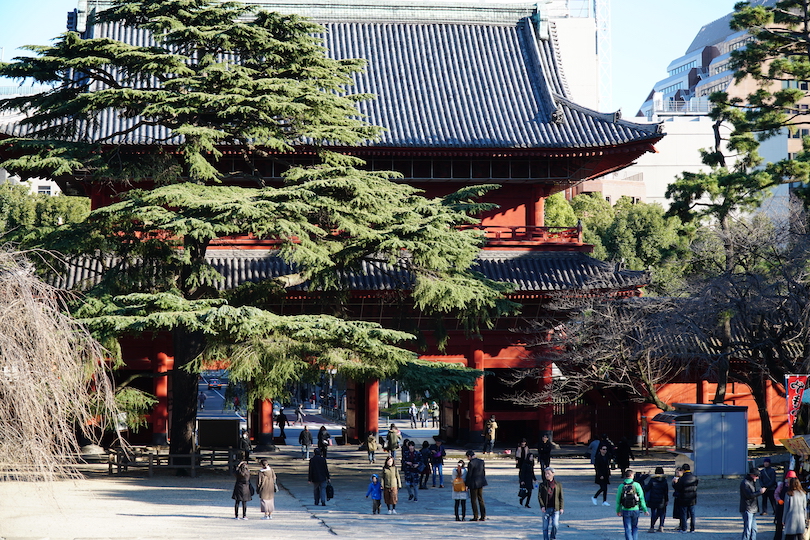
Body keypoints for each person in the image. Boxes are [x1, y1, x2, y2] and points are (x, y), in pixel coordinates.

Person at [616, 469, 649, 540]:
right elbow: (642, 498)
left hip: (625, 509)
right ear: (631, 476)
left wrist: (618, 510)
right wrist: (645, 509)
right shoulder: (637, 485)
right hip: (635, 509)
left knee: (627, 528)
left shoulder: (621, 486)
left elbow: (618, 500)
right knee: (635, 527)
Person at [740, 467, 767, 540]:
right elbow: (749, 495)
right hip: (747, 508)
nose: (757, 478)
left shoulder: (751, 482)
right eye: (756, 476)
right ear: (752, 475)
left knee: (754, 529)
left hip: (752, 508)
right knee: (748, 529)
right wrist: (760, 492)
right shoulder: (745, 483)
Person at [538, 466, 564, 540]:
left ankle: (552, 537)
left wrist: (561, 507)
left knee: (555, 524)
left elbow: (561, 497)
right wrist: (542, 506)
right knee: (545, 527)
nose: (547, 475)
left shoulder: (558, 484)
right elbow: (539, 496)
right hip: (546, 508)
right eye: (546, 474)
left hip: (555, 508)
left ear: (553, 474)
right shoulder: (542, 485)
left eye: (548, 473)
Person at [673, 463, 698, 533]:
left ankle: (684, 528)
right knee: (692, 514)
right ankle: (692, 528)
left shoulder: (682, 479)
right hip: (692, 498)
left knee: (683, 513)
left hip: (683, 498)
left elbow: (678, 488)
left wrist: (675, 483)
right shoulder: (694, 477)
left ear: (683, 470)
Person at [466, 449, 488, 521]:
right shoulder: (481, 461)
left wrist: (467, 485)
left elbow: (469, 475)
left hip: (473, 483)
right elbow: (483, 472)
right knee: (481, 499)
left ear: (469, 456)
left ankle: (475, 516)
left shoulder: (471, 463)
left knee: (473, 500)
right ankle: (483, 515)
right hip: (481, 482)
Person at [645, 466, 669, 533]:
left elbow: (647, 488)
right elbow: (666, 491)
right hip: (662, 499)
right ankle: (661, 526)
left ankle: (652, 527)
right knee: (662, 513)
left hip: (653, 499)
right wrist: (666, 500)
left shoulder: (652, 480)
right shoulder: (664, 481)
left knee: (653, 513)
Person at [781, 473, 804, 540]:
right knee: (800, 537)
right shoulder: (803, 494)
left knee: (789, 537)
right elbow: (804, 507)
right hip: (801, 518)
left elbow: (786, 508)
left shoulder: (788, 494)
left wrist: (783, 519)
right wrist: (805, 518)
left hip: (791, 518)